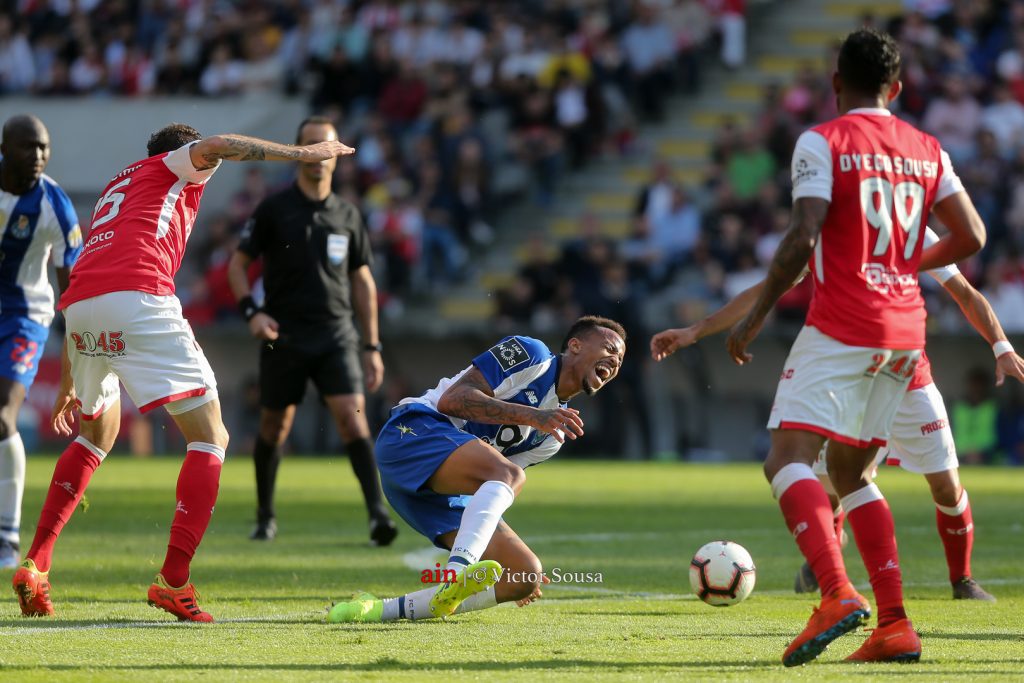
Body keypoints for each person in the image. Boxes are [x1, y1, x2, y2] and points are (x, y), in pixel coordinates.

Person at [12, 123, 353, 622]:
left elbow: (92, 280)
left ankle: (36, 564)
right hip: (138, 297)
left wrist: (68, 380)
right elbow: (217, 145)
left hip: (81, 309)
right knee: (211, 437)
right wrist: (303, 153)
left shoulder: (121, 183)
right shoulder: (177, 165)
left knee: (94, 435)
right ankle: (174, 581)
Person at [724, 29, 986, 665]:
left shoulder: (823, 141)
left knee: (786, 459)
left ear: (836, 82)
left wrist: (756, 315)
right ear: (896, 88)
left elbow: (802, 235)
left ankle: (837, 592)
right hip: (905, 331)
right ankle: (893, 623)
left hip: (844, 322)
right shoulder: (927, 148)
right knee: (851, 473)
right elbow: (972, 235)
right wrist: (903, 263)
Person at [652, 227, 1023, 604]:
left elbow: (965, 290)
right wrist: (696, 330)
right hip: (848, 381)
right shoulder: (822, 227)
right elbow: (767, 288)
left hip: (908, 378)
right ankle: (832, 563)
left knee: (946, 486)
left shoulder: (910, 225)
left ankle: (962, 580)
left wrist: (1002, 347)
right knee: (831, 487)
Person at [327, 316, 625, 623]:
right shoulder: (532, 353)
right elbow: (452, 400)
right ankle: (457, 572)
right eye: (610, 348)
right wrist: (533, 415)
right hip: (413, 434)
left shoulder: (552, 436)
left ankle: (375, 610)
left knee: (525, 575)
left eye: (620, 360)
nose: (615, 361)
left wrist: (506, 556)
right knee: (511, 474)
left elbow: (494, 490)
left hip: (432, 491)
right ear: (575, 345)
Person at [228, 115, 397, 545]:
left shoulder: (348, 214)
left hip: (335, 335)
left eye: (328, 147)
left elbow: (362, 282)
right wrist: (252, 312)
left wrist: (372, 346)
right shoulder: (274, 209)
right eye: (311, 145)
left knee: (353, 420)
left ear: (338, 156)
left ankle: (378, 515)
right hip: (282, 335)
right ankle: (265, 516)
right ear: (297, 151)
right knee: (274, 427)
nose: (320, 154)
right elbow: (238, 265)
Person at [0, 115, 83, 568]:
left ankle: (7, 538)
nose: (38, 156)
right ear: (4, 149)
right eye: (28, 146)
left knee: (2, 415)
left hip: (24, 317)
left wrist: (77, 350)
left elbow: (73, 287)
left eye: (44, 147)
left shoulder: (54, 205)